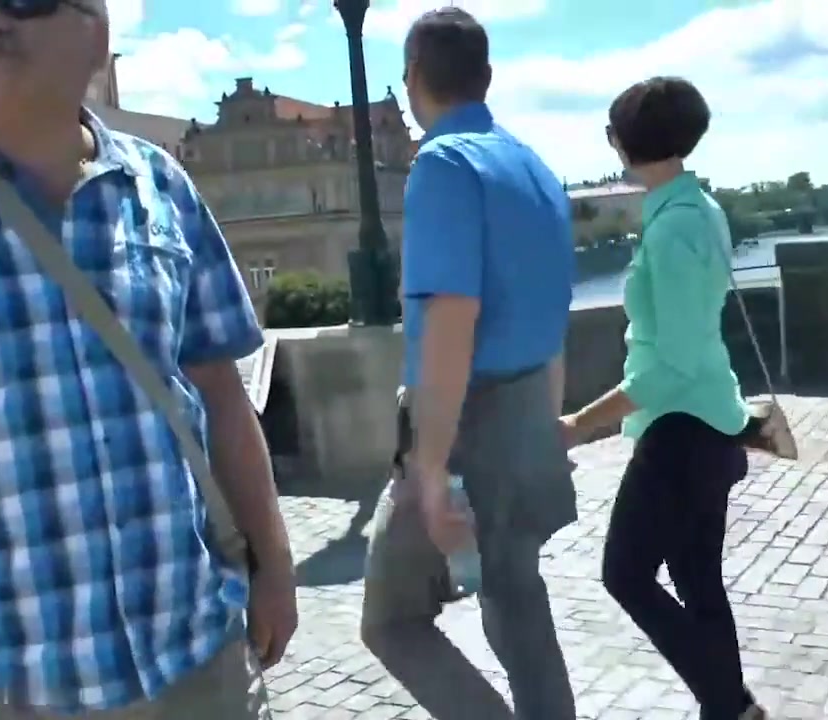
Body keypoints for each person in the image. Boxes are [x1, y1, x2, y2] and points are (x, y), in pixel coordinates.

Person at [0, 0, 297, 715]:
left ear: (96, 27)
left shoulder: (161, 186)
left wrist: (273, 564)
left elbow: (221, 395)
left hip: (198, 664)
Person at [359, 7, 578, 719]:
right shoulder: (535, 168)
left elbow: (450, 322)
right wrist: (547, 429)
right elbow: (553, 314)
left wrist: (428, 472)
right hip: (527, 420)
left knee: (392, 620)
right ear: (486, 76)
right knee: (516, 602)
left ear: (414, 78)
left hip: (467, 429)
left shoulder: (444, 164)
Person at [557, 77, 771, 720]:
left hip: (681, 430)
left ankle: (729, 704)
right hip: (710, 420)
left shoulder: (673, 226)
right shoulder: (699, 208)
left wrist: (579, 423)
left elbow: (670, 366)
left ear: (626, 143)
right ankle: (728, 709)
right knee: (699, 581)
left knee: (625, 574)